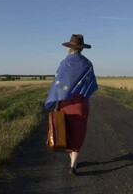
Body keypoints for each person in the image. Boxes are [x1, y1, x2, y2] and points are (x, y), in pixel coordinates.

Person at [44, 34, 98, 176]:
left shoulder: (64, 63)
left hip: (66, 104)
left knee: (66, 132)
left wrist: (56, 104)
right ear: (82, 49)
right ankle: (73, 165)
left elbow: (58, 86)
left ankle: (72, 162)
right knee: (78, 133)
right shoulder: (88, 64)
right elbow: (90, 85)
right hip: (81, 104)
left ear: (70, 48)